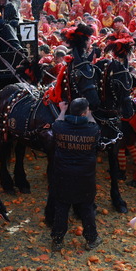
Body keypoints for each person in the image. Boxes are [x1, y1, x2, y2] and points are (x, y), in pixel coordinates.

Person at [49, 98, 101, 251]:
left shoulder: (59, 127)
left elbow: (57, 121)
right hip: (85, 177)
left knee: (62, 207)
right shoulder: (93, 130)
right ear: (85, 113)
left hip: (63, 175)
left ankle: (57, 240)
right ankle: (91, 239)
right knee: (86, 207)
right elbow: (93, 123)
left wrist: (62, 110)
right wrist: (89, 113)